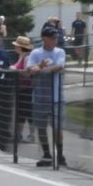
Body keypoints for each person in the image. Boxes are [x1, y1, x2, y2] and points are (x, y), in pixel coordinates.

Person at [27, 25, 67, 167]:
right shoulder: (36, 53)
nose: (54, 40)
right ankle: (47, 154)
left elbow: (60, 66)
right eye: (51, 38)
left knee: (57, 127)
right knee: (41, 127)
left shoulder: (59, 52)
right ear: (44, 38)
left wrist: (42, 69)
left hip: (56, 97)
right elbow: (29, 70)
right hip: (39, 97)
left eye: (55, 38)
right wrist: (39, 66)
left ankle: (60, 155)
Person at [10, 36, 35, 143]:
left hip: (28, 88)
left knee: (28, 112)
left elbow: (27, 73)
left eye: (16, 46)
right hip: (21, 88)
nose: (15, 48)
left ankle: (31, 135)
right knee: (21, 112)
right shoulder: (22, 56)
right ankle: (18, 134)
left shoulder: (27, 58)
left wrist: (15, 70)